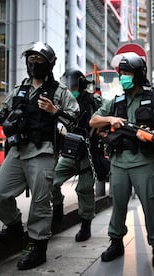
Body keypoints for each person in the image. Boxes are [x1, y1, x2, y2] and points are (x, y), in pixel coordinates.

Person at [0, 41, 80, 270]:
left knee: (40, 202)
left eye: (40, 60)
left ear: (50, 65)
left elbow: (76, 118)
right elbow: (2, 109)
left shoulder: (59, 91)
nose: (34, 63)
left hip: (43, 151)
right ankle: (14, 226)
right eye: (31, 59)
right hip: (17, 151)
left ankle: (38, 246)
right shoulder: (20, 88)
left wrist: (54, 111)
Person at [89, 54, 154, 268]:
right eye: (121, 74)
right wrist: (110, 119)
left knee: (150, 205)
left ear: (137, 75)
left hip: (144, 163)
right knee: (117, 205)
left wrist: (148, 133)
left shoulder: (152, 99)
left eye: (127, 74)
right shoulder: (116, 101)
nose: (123, 77)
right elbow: (93, 120)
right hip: (118, 163)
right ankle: (116, 243)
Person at [51, 68, 106, 240]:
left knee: (84, 189)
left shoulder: (93, 101)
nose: (70, 88)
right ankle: (58, 210)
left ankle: (86, 225)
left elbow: (107, 114)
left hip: (88, 152)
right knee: (51, 181)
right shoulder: (61, 101)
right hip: (69, 152)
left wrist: (99, 127)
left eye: (73, 85)